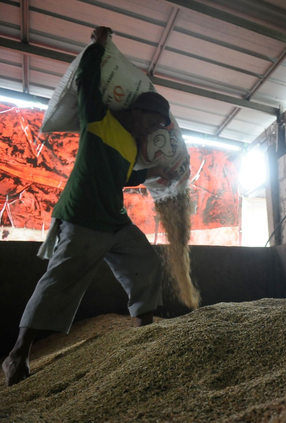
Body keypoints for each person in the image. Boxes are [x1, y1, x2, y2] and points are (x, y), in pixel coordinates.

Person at [2, 27, 171, 387]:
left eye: (159, 126)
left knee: (145, 262)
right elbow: (89, 83)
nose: (153, 129)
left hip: (113, 221)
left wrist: (150, 174)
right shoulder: (99, 120)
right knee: (59, 282)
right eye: (153, 121)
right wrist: (97, 48)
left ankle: (144, 330)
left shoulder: (129, 146)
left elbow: (120, 178)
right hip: (82, 217)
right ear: (137, 111)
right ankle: (18, 353)